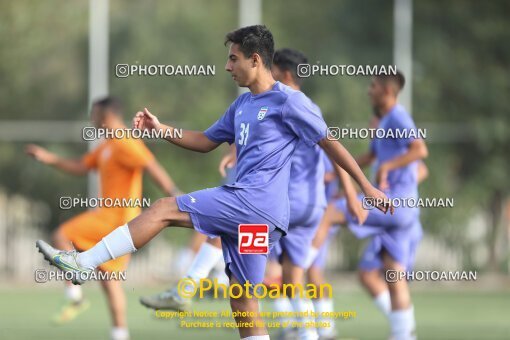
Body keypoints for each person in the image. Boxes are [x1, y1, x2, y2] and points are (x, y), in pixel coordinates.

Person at [36, 25, 391, 340]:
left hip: (253, 203)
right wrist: (162, 130)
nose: (227, 66)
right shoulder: (241, 107)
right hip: (259, 219)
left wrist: (366, 187)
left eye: (233, 59)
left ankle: (83, 263)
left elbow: (329, 142)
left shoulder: (289, 101)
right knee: (243, 299)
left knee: (162, 209)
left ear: (255, 60)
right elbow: (205, 140)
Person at [27, 96, 178, 340]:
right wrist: (49, 158)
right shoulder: (107, 145)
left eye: (94, 115)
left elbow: (151, 165)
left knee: (62, 235)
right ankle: (120, 334)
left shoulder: (124, 141)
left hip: (116, 218)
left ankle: (75, 296)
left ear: (106, 115)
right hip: (115, 220)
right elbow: (81, 166)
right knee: (110, 279)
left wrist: (174, 197)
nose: (92, 120)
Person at [308, 72, 428, 340]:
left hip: (394, 203)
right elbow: (371, 156)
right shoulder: (384, 121)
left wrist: (388, 166)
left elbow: (420, 151)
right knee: (393, 277)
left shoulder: (398, 116)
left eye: (372, 85)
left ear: (386, 90)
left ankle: (299, 265)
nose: (368, 90)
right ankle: (403, 335)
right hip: (401, 210)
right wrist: (336, 171)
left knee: (330, 213)